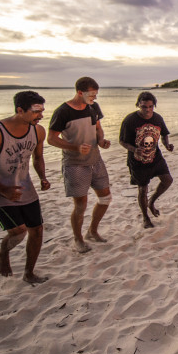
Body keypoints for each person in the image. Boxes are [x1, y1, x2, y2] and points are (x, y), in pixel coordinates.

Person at [0, 90, 51, 284]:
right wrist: (2, 188)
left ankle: (29, 273)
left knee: (37, 230)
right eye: (36, 111)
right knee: (18, 232)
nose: (40, 115)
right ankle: (3, 253)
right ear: (20, 110)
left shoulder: (38, 131)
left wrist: (43, 177)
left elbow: (38, 157)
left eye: (42, 111)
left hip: (25, 189)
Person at [48, 77, 112, 253]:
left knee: (105, 198)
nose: (94, 98)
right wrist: (75, 147)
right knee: (81, 205)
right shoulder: (63, 111)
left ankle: (92, 231)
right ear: (79, 92)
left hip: (95, 160)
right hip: (75, 163)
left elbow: (98, 128)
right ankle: (78, 239)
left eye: (96, 95)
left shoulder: (93, 107)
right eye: (91, 95)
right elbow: (51, 139)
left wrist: (101, 141)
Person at [119, 91, 174, 228]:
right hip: (138, 161)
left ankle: (151, 202)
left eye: (150, 107)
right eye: (144, 107)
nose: (147, 110)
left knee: (167, 180)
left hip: (155, 157)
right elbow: (122, 141)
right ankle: (145, 218)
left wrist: (167, 144)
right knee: (143, 189)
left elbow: (164, 134)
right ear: (138, 105)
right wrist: (134, 149)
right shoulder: (130, 120)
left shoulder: (157, 118)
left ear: (154, 106)